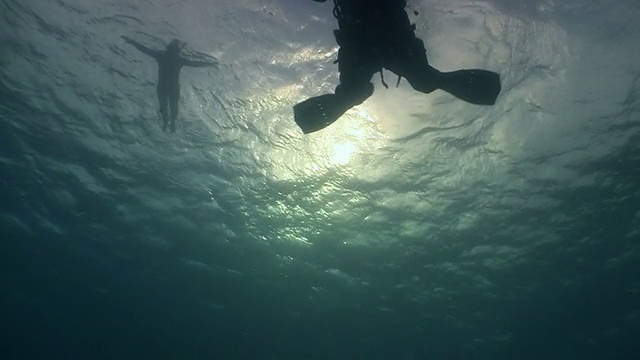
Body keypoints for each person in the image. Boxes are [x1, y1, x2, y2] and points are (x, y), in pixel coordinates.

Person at [294, 0, 502, 134]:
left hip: (367, 41)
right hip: (383, 39)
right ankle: (350, 96)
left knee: (422, 81)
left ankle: (350, 96)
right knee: (423, 81)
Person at [122, 36, 217, 133]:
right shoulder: (176, 59)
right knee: (171, 106)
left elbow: (145, 50)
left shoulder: (162, 56)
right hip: (172, 88)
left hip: (164, 87)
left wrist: (132, 42)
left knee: (166, 106)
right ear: (177, 51)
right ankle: (170, 122)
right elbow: (195, 64)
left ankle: (168, 123)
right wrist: (209, 63)